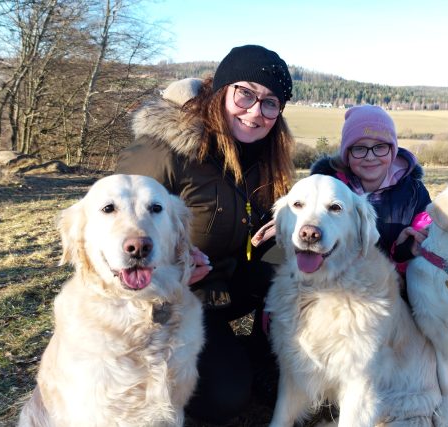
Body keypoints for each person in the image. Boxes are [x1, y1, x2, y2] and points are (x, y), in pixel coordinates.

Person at [115, 44, 294, 424]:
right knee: (223, 398)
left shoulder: (264, 158)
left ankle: (267, 357)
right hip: (164, 303)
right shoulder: (163, 153)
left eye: (270, 103)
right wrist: (170, 271)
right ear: (221, 91)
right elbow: (112, 237)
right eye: (245, 93)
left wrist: (285, 230)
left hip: (222, 287)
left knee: (291, 266)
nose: (255, 112)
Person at [311, 104, 431, 270]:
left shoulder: (413, 192)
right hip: (340, 285)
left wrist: (404, 248)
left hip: (397, 286)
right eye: (360, 148)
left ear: (392, 150)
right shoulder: (328, 190)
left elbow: (425, 238)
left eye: (380, 147)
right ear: (347, 153)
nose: (370, 157)